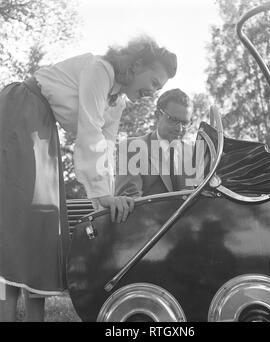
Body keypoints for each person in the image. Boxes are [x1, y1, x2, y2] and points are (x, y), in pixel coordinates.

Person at [0, 36, 177, 321]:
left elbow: (105, 147)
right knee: (21, 216)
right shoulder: (100, 70)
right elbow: (89, 132)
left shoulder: (117, 103)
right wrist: (101, 194)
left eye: (159, 88)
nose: (153, 92)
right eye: (154, 82)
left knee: (43, 219)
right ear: (137, 65)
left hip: (44, 127)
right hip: (22, 111)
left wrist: (103, 204)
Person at [115, 88, 197, 198]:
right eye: (173, 120)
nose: (180, 128)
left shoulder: (194, 154)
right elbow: (129, 200)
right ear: (158, 115)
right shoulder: (131, 148)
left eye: (185, 123)